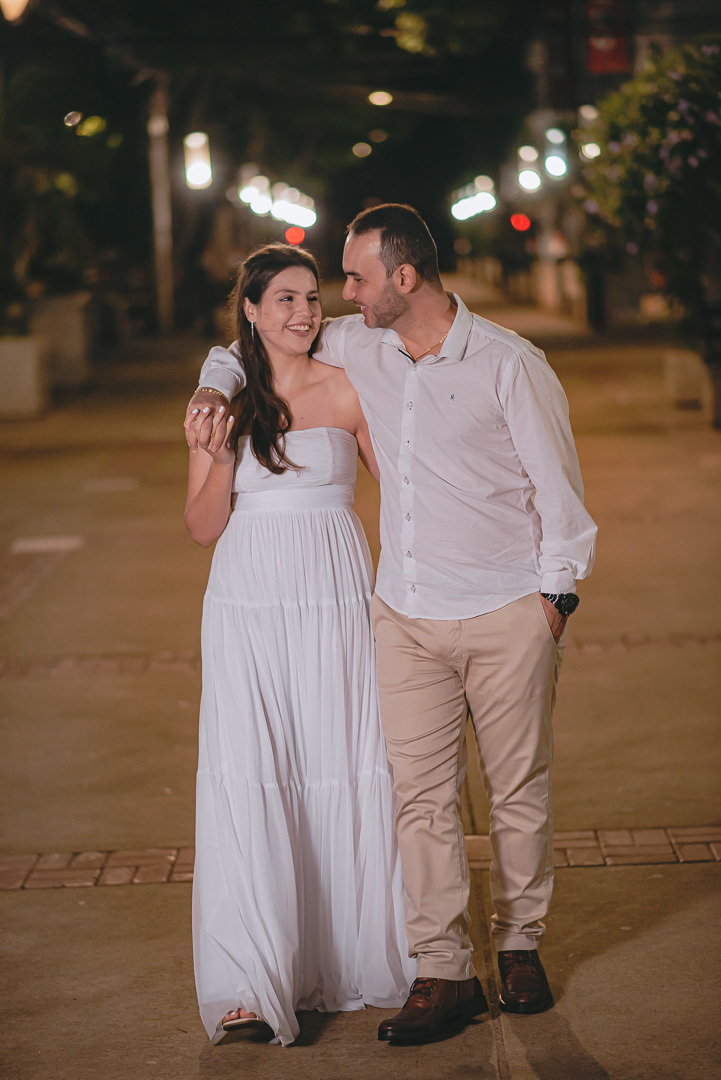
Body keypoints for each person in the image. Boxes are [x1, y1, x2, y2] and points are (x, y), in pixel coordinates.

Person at [185, 205, 598, 1044]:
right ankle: (441, 972)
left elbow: (557, 489)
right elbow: (244, 339)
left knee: (514, 791)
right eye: (314, 292)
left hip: (493, 603)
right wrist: (212, 383)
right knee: (417, 799)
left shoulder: (504, 365)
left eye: (350, 281)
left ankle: (518, 948)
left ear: (400, 278)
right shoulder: (356, 342)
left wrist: (552, 602)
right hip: (396, 613)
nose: (330, 302)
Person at [185, 242, 415, 1048]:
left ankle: (351, 953)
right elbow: (202, 526)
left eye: (311, 298)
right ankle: (249, 980)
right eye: (282, 299)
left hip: (337, 593)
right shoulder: (222, 402)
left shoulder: (349, 389)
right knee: (257, 766)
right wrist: (215, 458)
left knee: (345, 757)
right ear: (249, 310)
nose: (302, 313)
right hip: (249, 598)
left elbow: (407, 493)